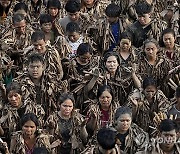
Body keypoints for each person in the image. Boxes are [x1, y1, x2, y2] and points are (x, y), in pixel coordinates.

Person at [15, 53, 58, 119]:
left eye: (38, 67)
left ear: (43, 67)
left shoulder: (51, 82)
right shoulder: (20, 83)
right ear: (27, 67)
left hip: (47, 117)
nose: (35, 70)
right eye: (32, 67)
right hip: (26, 119)